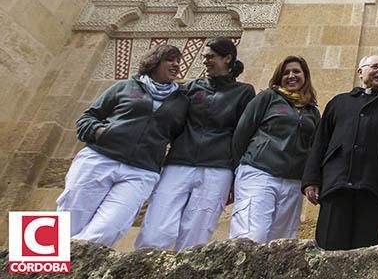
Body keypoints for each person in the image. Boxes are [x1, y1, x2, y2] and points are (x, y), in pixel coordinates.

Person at [57, 44, 189, 247]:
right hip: (100, 158)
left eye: (178, 61)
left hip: (142, 171)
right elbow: (88, 116)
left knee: (110, 228)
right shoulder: (126, 86)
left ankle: (66, 268)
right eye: (170, 60)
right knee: (67, 220)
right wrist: (100, 132)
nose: (176, 65)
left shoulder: (182, 99)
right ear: (155, 62)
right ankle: (32, 269)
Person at [136, 38, 255, 250]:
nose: (205, 61)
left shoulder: (244, 92)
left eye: (210, 57)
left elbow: (242, 134)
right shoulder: (191, 87)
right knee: (157, 225)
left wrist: (236, 177)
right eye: (204, 57)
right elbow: (171, 120)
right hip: (179, 162)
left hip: (218, 168)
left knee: (198, 231)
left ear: (227, 58)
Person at [302, 55, 378, 250]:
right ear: (360, 72)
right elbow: (320, 143)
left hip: (374, 188)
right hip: (336, 185)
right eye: (376, 67)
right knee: (328, 249)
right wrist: (311, 180)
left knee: (366, 253)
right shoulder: (338, 103)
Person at [229, 55, 320, 243]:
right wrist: (238, 168)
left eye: (296, 72)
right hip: (259, 172)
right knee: (252, 235)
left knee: (282, 242)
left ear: (305, 76)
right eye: (286, 73)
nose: (291, 76)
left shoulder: (311, 110)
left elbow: (314, 147)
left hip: (293, 181)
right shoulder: (268, 97)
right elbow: (242, 133)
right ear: (279, 77)